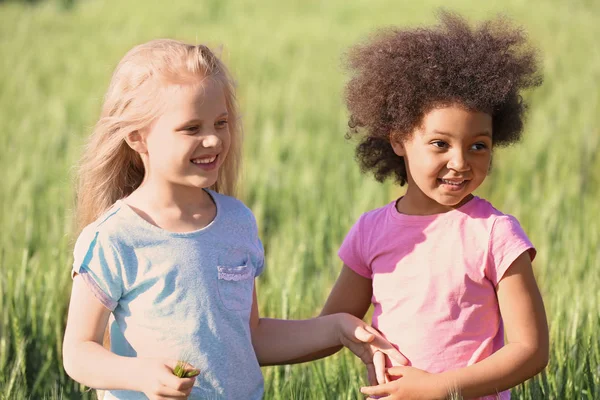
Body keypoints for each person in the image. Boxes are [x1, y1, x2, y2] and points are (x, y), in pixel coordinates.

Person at [62, 39, 405, 400]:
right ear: (137, 138)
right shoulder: (116, 237)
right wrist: (140, 374)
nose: (213, 140)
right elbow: (78, 353)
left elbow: (250, 336)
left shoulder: (236, 221)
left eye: (221, 123)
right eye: (191, 128)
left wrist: (338, 328)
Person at [320, 11, 549, 400]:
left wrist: (441, 388)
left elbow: (531, 351)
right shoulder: (370, 231)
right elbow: (328, 329)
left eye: (478, 145)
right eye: (440, 144)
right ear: (397, 140)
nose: (461, 162)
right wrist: (241, 334)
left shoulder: (495, 234)